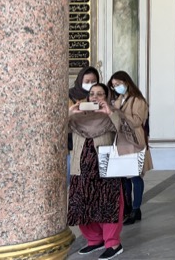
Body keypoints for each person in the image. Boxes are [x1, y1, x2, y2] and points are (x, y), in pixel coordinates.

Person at [68, 83, 125, 259]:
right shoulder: (77, 118)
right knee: (82, 206)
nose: (95, 97)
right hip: (80, 171)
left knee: (109, 206)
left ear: (107, 97)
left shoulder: (112, 115)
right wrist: (70, 113)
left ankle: (113, 243)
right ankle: (94, 240)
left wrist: (110, 112)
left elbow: (126, 131)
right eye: (92, 94)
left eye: (100, 94)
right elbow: (55, 131)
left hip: (105, 170)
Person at [108, 71, 153, 225]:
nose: (116, 87)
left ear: (126, 82)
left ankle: (136, 208)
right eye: (114, 85)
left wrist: (119, 113)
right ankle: (127, 207)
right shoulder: (119, 99)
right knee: (124, 175)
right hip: (121, 140)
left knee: (135, 175)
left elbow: (136, 121)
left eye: (118, 84)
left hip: (134, 140)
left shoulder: (138, 100)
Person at [68, 66, 101, 183]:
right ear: (80, 80)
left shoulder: (101, 96)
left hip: (95, 147)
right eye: (87, 81)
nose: (90, 84)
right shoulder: (69, 96)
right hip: (74, 146)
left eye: (93, 81)